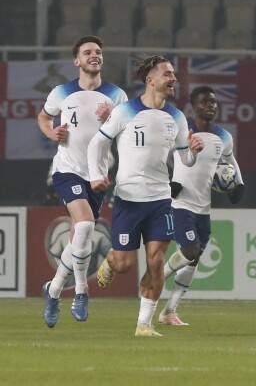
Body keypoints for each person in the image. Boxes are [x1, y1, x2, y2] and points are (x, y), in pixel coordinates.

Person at [87, 55, 205, 337]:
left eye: (174, 74)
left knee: (155, 262)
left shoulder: (176, 117)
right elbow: (97, 144)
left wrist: (192, 152)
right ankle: (112, 259)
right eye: (167, 74)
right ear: (151, 80)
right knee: (125, 265)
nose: (173, 78)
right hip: (128, 199)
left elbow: (183, 161)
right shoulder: (125, 111)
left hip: (161, 200)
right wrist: (95, 176)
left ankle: (144, 325)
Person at [38, 35, 128, 328]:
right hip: (67, 169)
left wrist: (111, 121)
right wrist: (51, 133)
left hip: (97, 175)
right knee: (87, 225)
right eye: (88, 52)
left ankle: (52, 291)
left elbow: (127, 137)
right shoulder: (61, 92)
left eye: (98, 52)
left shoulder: (117, 96)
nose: (94, 55)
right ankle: (80, 291)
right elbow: (43, 117)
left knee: (80, 234)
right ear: (76, 61)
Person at [158, 85, 244, 326]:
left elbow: (230, 163)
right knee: (190, 251)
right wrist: (168, 182)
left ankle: (169, 311)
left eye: (213, 102)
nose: (210, 105)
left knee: (193, 261)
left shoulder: (224, 137)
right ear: (194, 107)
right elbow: (160, 157)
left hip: (203, 208)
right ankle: (157, 279)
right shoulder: (182, 133)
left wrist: (239, 185)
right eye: (205, 102)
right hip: (180, 203)